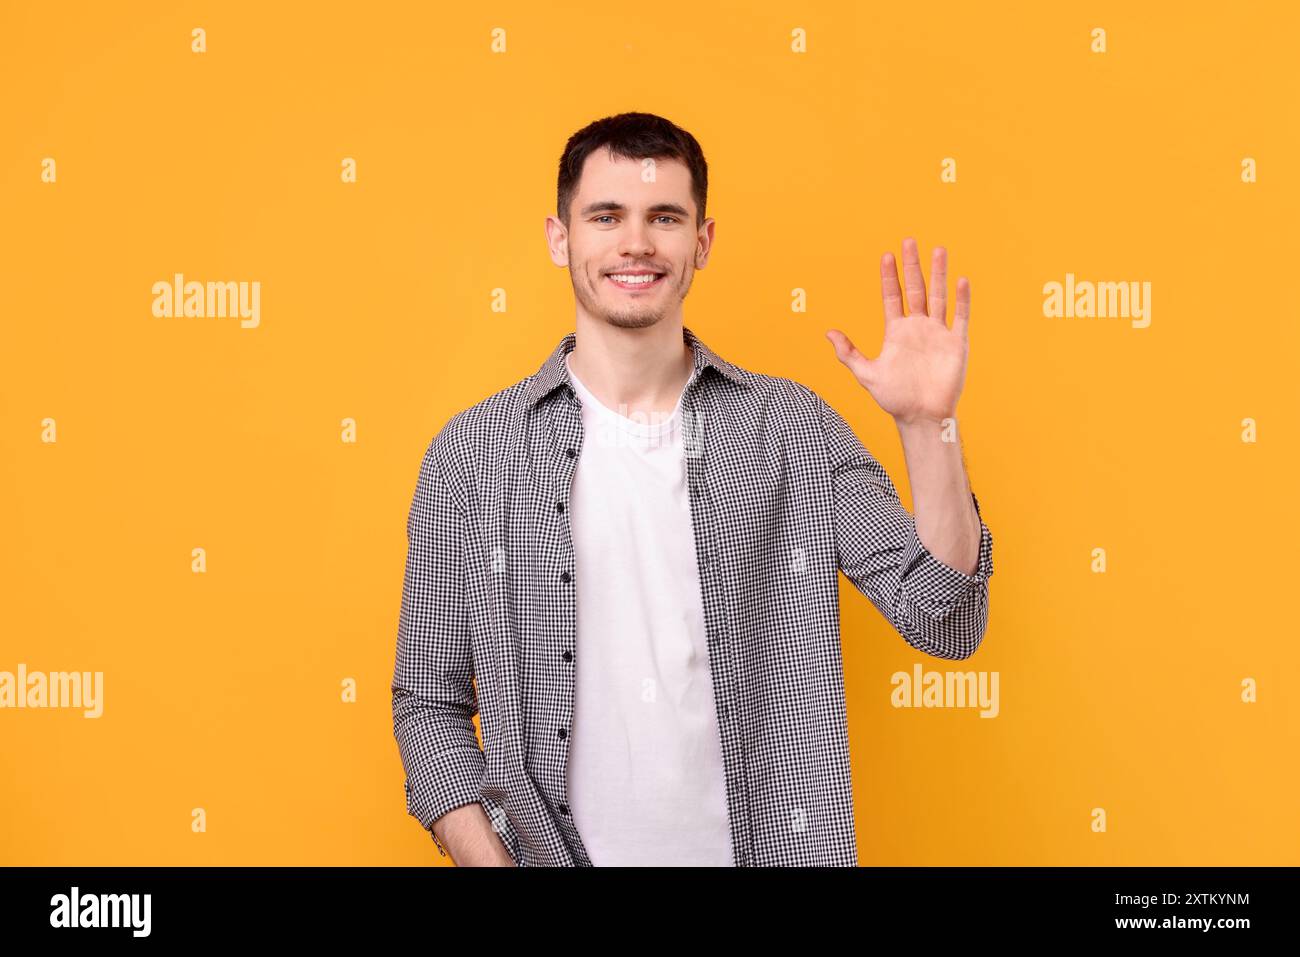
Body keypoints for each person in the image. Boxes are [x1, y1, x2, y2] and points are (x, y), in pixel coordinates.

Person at [392, 112, 994, 867]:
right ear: (559, 237)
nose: (636, 243)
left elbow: (946, 620)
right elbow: (429, 705)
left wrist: (928, 426)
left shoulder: (793, 429)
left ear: (701, 242)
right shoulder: (471, 456)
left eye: (665, 217)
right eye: (606, 216)